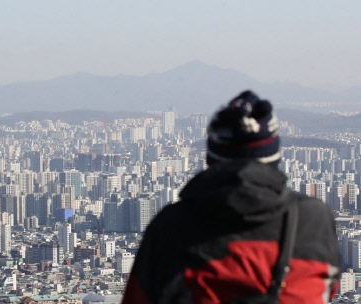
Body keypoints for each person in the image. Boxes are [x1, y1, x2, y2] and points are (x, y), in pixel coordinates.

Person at [122, 91, 340, 303]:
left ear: (212, 156)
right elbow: (329, 289)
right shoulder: (314, 220)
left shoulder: (172, 228)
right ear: (274, 156)